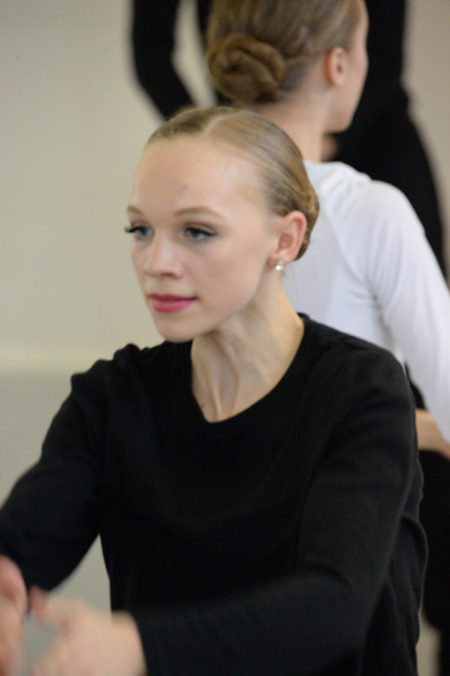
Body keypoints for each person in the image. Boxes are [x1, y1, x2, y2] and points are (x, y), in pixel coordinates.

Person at [0, 106, 426, 675]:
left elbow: (332, 608)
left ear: (285, 238)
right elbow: (23, 543)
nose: (156, 262)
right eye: (141, 230)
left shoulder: (360, 390)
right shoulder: (113, 398)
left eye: (196, 231)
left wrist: (137, 648)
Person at [207, 4, 450, 673]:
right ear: (340, 65)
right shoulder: (370, 211)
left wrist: (413, 425)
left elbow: (266, 401)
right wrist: (421, 426)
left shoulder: (189, 208)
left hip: (217, 558)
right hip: (347, 567)